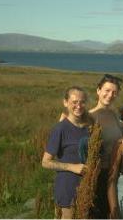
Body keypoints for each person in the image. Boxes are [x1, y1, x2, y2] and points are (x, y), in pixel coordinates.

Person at [59, 74, 123, 218]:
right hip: (96, 176)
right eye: (107, 90)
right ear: (98, 90)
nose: (110, 95)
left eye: (114, 92)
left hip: (114, 174)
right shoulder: (87, 116)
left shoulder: (114, 115)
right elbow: (66, 135)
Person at [42, 86, 90, 219]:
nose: (79, 106)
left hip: (88, 185)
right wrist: (72, 167)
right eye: (74, 102)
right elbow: (45, 162)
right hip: (67, 186)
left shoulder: (89, 127)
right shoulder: (60, 128)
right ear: (65, 102)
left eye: (82, 102)